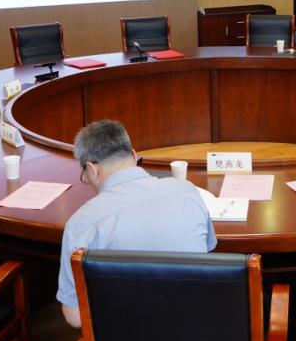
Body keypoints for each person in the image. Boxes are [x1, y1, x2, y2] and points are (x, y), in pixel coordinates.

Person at [57, 120, 216, 328]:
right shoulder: (186, 191)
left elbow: (75, 317)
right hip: (196, 330)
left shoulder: (81, 223)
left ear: (92, 169)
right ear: (133, 155)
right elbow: (207, 254)